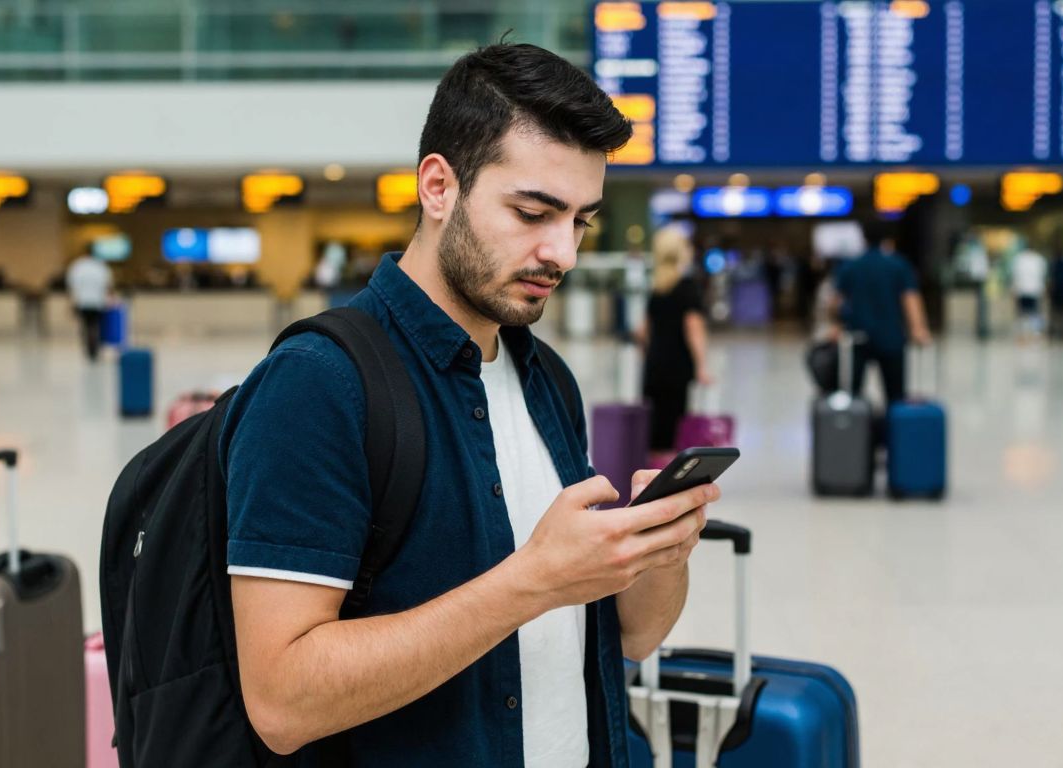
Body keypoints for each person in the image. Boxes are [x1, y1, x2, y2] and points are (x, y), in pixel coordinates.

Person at [221, 44, 717, 766]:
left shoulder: (546, 377)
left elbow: (632, 639)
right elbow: (282, 701)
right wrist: (531, 582)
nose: (562, 254)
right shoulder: (319, 384)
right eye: (532, 212)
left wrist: (660, 556)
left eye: (580, 221)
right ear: (438, 187)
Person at [831, 223, 932, 404]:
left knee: (853, 394)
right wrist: (918, 329)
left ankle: (859, 427)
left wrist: (836, 326)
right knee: (895, 395)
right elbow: (910, 300)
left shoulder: (850, 266)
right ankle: (893, 428)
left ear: (863, 239)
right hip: (891, 338)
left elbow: (835, 303)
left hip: (857, 337)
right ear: (888, 240)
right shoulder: (899, 265)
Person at [636, 224, 712, 462]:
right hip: (677, 367)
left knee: (656, 426)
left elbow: (641, 332)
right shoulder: (688, 288)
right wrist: (701, 366)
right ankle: (671, 478)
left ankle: (653, 473)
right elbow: (694, 330)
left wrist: (650, 354)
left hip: (654, 366)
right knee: (674, 423)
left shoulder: (657, 289)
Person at [65, 248, 112, 361]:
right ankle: (95, 349)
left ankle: (89, 349)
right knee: (96, 325)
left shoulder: (77, 266)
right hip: (98, 301)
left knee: (85, 325)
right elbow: (108, 284)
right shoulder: (101, 267)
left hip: (82, 301)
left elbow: (71, 285)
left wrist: (72, 301)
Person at [1011, 243, 1048, 341]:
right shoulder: (1039, 259)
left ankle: (1023, 335)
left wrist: (1014, 289)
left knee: (1023, 314)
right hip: (1033, 290)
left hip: (1023, 290)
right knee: (1034, 313)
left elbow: (1016, 276)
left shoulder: (1019, 259)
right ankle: (1034, 334)